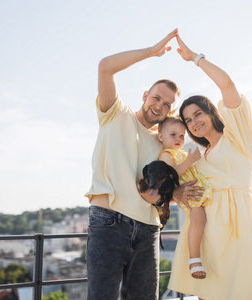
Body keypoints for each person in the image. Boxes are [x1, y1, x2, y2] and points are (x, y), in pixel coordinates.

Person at [85, 29, 203, 300]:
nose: (159, 105)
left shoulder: (165, 145)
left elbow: (157, 191)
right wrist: (152, 51)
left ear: (171, 112)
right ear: (144, 95)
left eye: (166, 104)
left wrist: (176, 193)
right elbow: (105, 67)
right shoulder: (114, 113)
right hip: (108, 222)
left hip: (148, 229)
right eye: (156, 98)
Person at [167, 34, 252, 300]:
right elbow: (177, 187)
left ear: (211, 112)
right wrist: (177, 193)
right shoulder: (198, 155)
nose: (194, 122)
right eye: (188, 120)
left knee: (251, 291)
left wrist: (195, 58)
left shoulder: (238, 135)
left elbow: (227, 85)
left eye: (198, 114)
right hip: (207, 229)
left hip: (240, 222)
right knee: (210, 294)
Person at [157, 117, 213, 279]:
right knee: (199, 219)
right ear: (161, 136)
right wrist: (189, 161)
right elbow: (172, 176)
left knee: (203, 219)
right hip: (186, 192)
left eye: (181, 135)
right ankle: (194, 259)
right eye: (173, 135)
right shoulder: (166, 155)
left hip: (194, 189)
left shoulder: (179, 152)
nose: (178, 139)